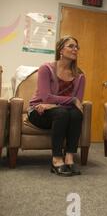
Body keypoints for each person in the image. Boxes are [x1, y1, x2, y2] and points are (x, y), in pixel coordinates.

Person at [28, 36, 85, 177]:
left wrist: (53, 104)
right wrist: (70, 100)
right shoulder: (46, 68)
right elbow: (46, 97)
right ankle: (56, 159)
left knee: (76, 114)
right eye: (71, 46)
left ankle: (69, 157)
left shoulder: (80, 76)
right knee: (62, 113)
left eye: (76, 47)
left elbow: (78, 103)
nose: (75, 49)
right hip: (38, 111)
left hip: (59, 111)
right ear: (60, 49)